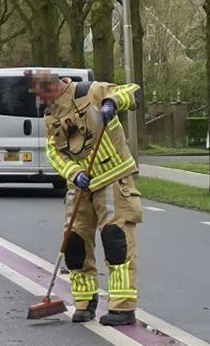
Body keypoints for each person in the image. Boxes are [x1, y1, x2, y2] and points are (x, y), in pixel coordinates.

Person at [27, 71, 143, 326]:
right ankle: (84, 302)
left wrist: (113, 102)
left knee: (116, 241)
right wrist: (74, 172)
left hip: (112, 179)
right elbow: (54, 152)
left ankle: (122, 307)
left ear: (55, 87)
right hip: (80, 186)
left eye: (43, 96)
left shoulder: (92, 91)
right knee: (75, 244)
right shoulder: (51, 115)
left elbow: (133, 91)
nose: (42, 103)